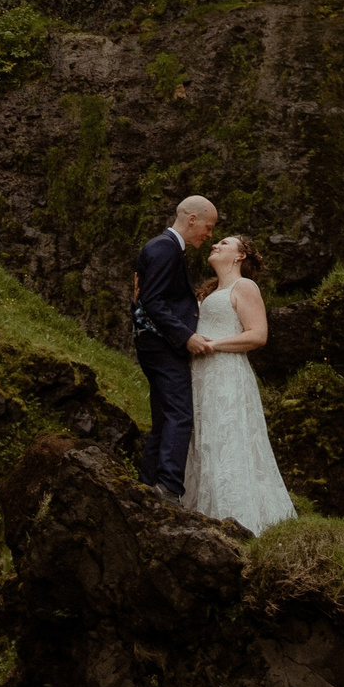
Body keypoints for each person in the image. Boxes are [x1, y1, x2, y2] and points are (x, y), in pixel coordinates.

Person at [182, 233, 297, 533]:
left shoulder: (243, 286)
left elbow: (258, 334)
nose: (215, 245)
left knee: (228, 438)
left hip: (226, 373)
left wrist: (213, 344)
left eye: (224, 243)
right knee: (203, 440)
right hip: (200, 374)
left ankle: (237, 519)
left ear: (240, 256)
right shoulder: (206, 292)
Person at [131, 195, 217, 498]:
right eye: (208, 227)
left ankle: (147, 482)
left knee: (164, 415)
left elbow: (146, 297)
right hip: (163, 346)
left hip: (152, 344)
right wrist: (186, 336)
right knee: (180, 414)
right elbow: (152, 301)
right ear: (192, 219)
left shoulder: (163, 248)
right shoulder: (165, 248)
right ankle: (168, 487)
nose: (209, 235)